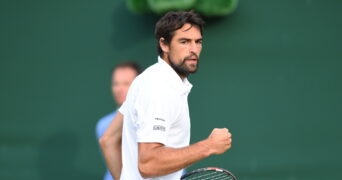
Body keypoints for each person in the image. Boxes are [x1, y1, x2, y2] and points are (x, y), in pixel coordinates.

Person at [99, 10, 232, 180]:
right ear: (164, 45)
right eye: (184, 42)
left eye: (198, 42)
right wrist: (209, 146)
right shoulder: (159, 87)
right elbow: (149, 164)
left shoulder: (147, 79)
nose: (193, 50)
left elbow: (108, 139)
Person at [95, 61, 141, 180]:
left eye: (126, 83)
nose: (119, 89)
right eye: (116, 84)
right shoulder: (103, 125)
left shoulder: (153, 118)